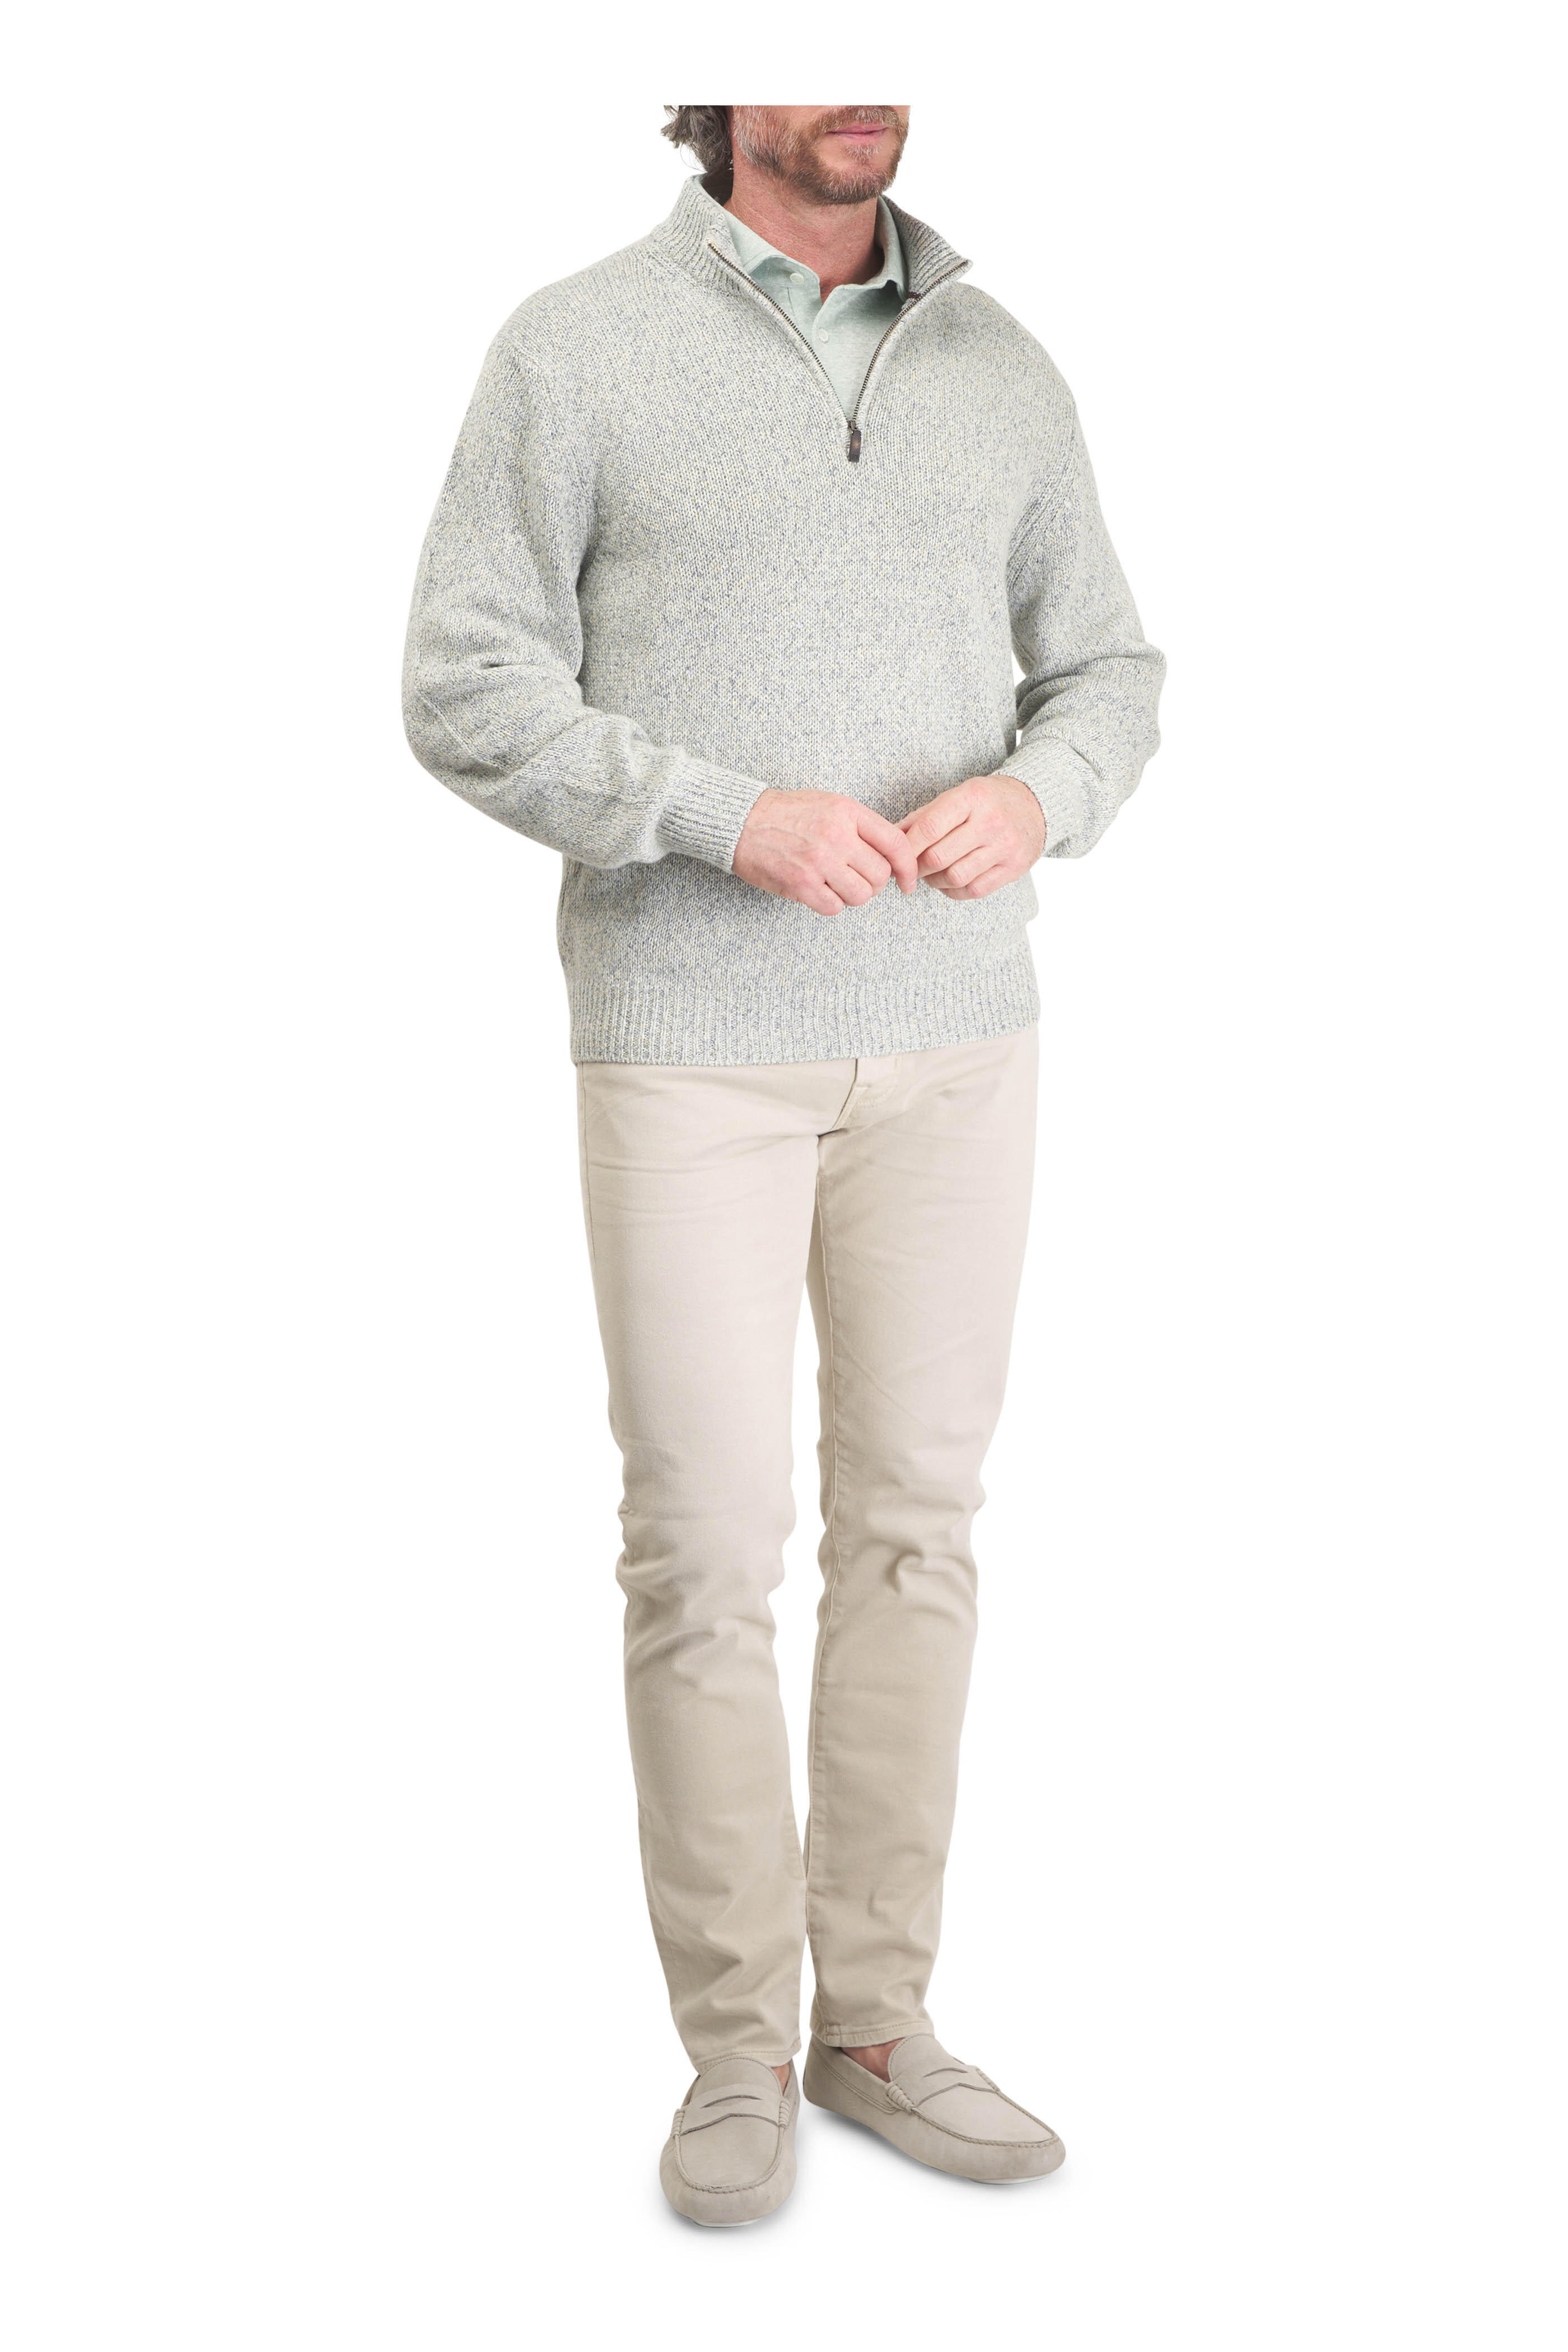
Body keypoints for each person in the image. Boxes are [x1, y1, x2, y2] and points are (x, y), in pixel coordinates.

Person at [402, 102, 1164, 2225]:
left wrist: (1045, 793)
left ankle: (881, 2027)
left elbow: (1109, 666)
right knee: (703, 1549)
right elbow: (462, 682)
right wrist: (718, 813)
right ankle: (736, 2050)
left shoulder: (998, 361)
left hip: (961, 1042)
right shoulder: (576, 347)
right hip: (688, 1054)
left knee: (919, 1530)